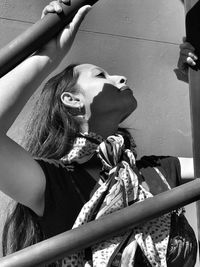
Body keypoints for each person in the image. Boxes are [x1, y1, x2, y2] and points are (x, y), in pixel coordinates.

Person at [0, 1, 198, 266]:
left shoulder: (158, 170)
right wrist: (50, 55)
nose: (121, 78)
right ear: (71, 100)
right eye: (101, 75)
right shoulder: (56, 182)